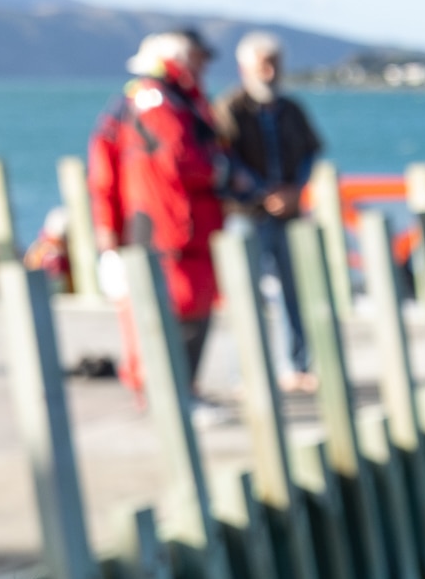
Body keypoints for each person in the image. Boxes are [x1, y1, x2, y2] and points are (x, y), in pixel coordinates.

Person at [99, 31, 226, 397]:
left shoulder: (182, 101)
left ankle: (182, 391)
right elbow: (182, 158)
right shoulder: (154, 100)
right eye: (198, 58)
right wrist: (223, 171)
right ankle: (164, 394)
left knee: (192, 310)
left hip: (190, 229)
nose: (203, 66)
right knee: (162, 312)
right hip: (164, 229)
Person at [216, 29, 325, 390]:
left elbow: (311, 151)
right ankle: (245, 373)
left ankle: (296, 365)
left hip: (289, 214)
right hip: (247, 216)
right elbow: (226, 159)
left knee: (295, 292)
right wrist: (265, 194)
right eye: (263, 65)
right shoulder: (230, 108)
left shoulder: (291, 109)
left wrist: (296, 190)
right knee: (246, 295)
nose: (270, 72)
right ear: (245, 67)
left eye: (275, 64)